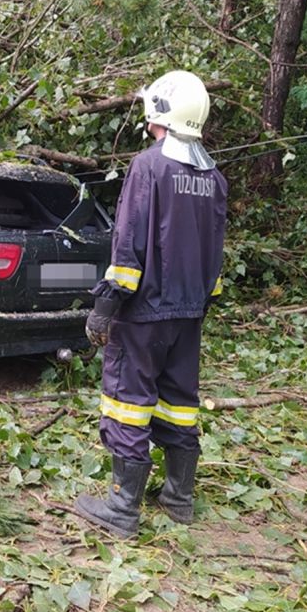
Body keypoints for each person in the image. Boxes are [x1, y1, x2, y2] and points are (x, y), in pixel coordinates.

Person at [76, 70, 228, 538]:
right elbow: (215, 251)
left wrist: (107, 304)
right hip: (189, 312)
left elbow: (130, 240)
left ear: (158, 112)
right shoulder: (215, 178)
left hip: (143, 313)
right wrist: (201, 302)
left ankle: (123, 508)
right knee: (179, 402)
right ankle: (179, 498)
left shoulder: (149, 166)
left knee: (127, 400)